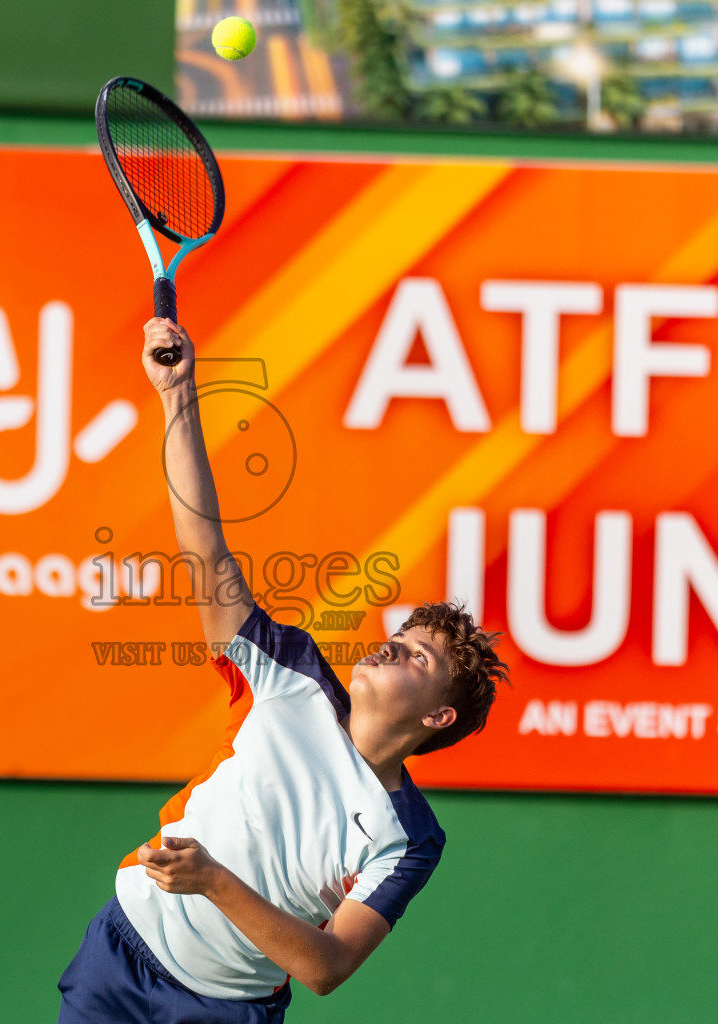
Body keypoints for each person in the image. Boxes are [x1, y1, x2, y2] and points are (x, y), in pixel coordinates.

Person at [57, 318, 507, 1023]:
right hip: (121, 953)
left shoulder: (410, 838)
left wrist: (213, 881)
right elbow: (204, 548)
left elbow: (325, 968)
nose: (390, 647)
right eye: (399, 635)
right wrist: (178, 395)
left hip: (225, 1010)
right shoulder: (288, 671)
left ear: (438, 716)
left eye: (417, 656)